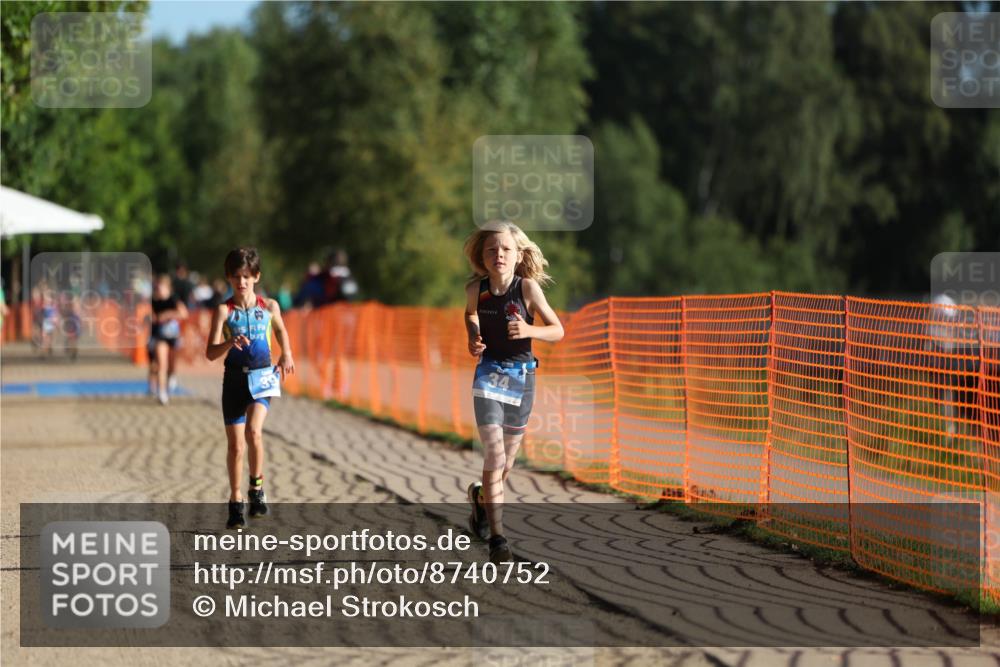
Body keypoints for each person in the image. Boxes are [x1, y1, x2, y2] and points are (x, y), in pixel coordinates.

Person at [463, 221, 564, 563]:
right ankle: (498, 539)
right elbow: (470, 313)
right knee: (494, 456)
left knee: (506, 464)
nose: (499, 255)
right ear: (483, 256)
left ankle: (480, 500)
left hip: (522, 378)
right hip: (489, 373)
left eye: (505, 249)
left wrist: (528, 328)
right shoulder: (476, 289)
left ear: (518, 254)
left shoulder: (528, 289)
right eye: (492, 250)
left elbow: (558, 330)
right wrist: (472, 335)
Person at [205, 247, 295, 530]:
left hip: (262, 378)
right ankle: (235, 500)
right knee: (236, 445)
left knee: (254, 432)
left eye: (246, 276)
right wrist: (229, 343)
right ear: (228, 278)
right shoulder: (223, 311)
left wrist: (287, 354)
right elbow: (209, 352)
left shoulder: (269, 307)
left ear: (256, 276)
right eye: (235, 277)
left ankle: (256, 488)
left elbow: (280, 330)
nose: (241, 282)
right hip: (233, 381)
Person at [148, 274, 188, 404]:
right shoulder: (154, 301)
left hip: (173, 336)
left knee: (171, 365)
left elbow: (184, 313)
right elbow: (149, 316)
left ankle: (172, 377)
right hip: (160, 336)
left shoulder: (173, 299)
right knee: (161, 364)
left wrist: (168, 315)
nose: (159, 290)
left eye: (162, 287)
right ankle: (162, 392)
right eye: (158, 287)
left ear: (168, 288)